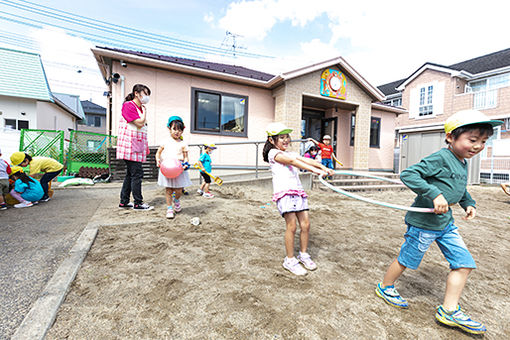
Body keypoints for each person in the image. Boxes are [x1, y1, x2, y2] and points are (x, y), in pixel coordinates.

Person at [375, 110, 503, 335]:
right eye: (472, 140)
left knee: (464, 264)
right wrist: (434, 194)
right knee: (407, 259)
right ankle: (385, 287)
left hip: (446, 224)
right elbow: (409, 174)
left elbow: (459, 188)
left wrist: (468, 203)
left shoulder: (462, 162)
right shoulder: (441, 158)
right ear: (450, 137)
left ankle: (449, 310)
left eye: (483, 142)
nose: (477, 146)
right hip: (423, 223)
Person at [263, 122, 334, 276]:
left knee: (306, 224)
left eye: (287, 136)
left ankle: (303, 254)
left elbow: (307, 160)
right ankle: (289, 260)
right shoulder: (273, 154)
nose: (286, 140)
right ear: (271, 140)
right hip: (285, 193)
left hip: (298, 191)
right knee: (292, 226)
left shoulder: (290, 153)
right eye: (281, 137)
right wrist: (316, 171)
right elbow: (293, 162)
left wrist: (324, 168)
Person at [117, 84, 153, 210]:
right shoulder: (128, 105)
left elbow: (143, 129)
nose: (147, 97)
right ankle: (138, 202)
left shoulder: (140, 108)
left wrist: (146, 147)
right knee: (137, 173)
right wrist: (145, 113)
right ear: (136, 93)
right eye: (145, 93)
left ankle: (124, 201)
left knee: (130, 174)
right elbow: (139, 123)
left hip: (137, 146)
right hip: (129, 145)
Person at [156, 116, 192, 219]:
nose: (177, 132)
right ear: (169, 129)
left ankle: (176, 200)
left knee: (179, 189)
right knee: (168, 190)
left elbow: (186, 157)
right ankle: (169, 209)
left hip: (179, 168)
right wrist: (158, 160)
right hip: (167, 168)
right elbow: (158, 153)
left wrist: (186, 163)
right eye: (174, 129)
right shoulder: (165, 142)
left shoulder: (183, 143)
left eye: (179, 130)